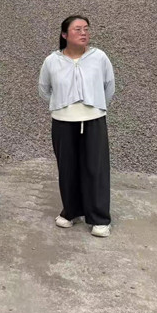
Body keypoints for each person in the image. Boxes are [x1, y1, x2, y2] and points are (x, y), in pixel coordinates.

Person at [39, 15, 115, 238]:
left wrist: (94, 107)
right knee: (67, 168)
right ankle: (71, 211)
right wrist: (62, 106)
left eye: (86, 29)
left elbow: (109, 86)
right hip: (63, 121)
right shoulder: (52, 61)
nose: (84, 33)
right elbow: (44, 89)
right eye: (78, 29)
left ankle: (99, 218)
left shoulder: (99, 57)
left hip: (93, 119)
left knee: (96, 168)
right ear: (64, 34)